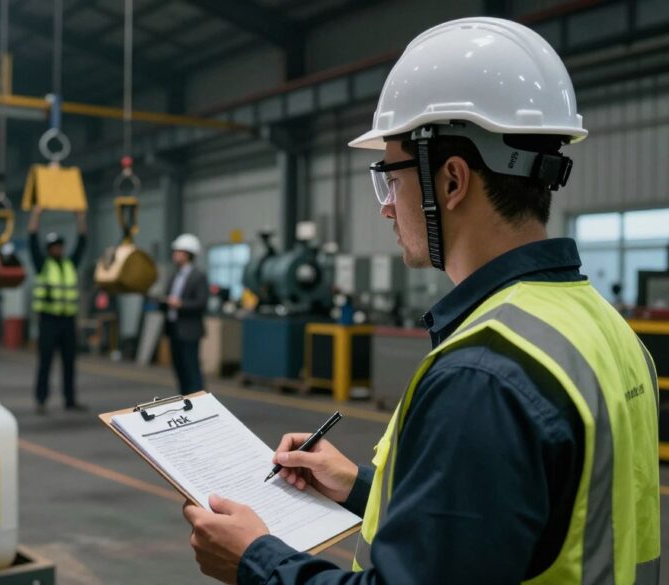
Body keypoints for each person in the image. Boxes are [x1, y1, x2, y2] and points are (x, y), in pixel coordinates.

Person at [183, 17, 660, 585]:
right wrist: (361, 486)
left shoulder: (485, 375)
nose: (386, 206)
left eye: (392, 177)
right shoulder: (605, 331)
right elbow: (511, 527)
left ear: (452, 181)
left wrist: (254, 560)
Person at [28, 206, 88, 414]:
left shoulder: (70, 264)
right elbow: (32, 240)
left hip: (68, 322)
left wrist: (80, 218)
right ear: (48, 249)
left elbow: (82, 242)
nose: (57, 249)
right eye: (54, 246)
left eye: (59, 246)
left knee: (70, 362)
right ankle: (41, 400)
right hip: (48, 321)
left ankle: (70, 399)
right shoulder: (42, 265)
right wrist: (36, 215)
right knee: (45, 362)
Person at [161, 234, 210, 393]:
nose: (174, 254)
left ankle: (200, 404)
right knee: (180, 370)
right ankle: (185, 402)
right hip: (174, 329)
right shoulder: (174, 275)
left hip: (189, 330)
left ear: (187, 254)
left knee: (191, 370)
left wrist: (180, 304)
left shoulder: (198, 276)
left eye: (178, 251)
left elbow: (201, 303)